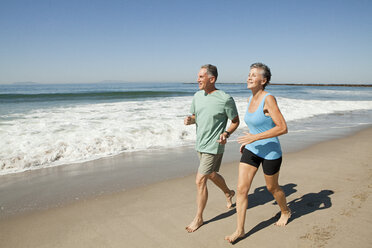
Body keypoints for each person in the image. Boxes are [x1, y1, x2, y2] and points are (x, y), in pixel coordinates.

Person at [225, 63, 291, 243]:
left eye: (254, 75)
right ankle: (240, 230)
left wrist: (254, 138)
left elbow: (283, 128)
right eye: (249, 74)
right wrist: (249, 141)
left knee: (272, 188)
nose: (249, 77)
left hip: (270, 152)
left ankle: (285, 210)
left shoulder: (268, 99)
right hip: (252, 149)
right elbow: (256, 125)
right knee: (241, 189)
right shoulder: (249, 99)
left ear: (264, 80)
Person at [184, 64, 240, 233]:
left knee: (200, 180)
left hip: (214, 145)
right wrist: (190, 120)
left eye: (201, 77)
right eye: (198, 76)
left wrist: (226, 134)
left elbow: (235, 121)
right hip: (200, 144)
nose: (197, 79)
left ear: (212, 79)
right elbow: (196, 116)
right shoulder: (197, 96)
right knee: (211, 174)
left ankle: (199, 218)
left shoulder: (225, 98)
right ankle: (229, 192)